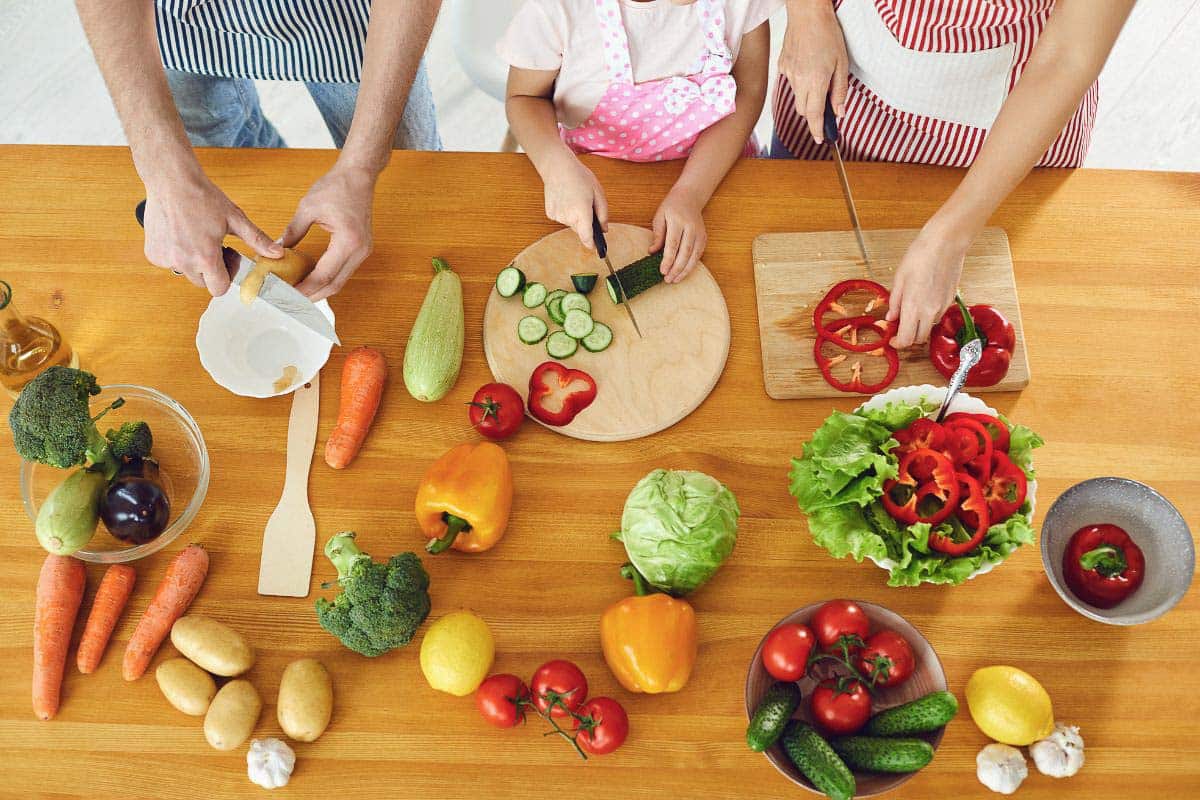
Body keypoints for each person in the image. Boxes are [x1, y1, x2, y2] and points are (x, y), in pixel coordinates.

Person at [773, 0, 1135, 348]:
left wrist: (950, 237)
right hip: (844, 69)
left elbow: (1070, 57)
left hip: (1005, 134)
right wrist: (807, 11)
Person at [76, 0, 445, 301]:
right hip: (175, 23)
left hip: (351, 17)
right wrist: (163, 177)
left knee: (410, 184)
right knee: (234, 171)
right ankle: (283, 241)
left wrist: (362, 166)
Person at [500, 0, 779, 284]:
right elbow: (524, 98)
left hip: (715, 171)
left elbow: (749, 90)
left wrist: (691, 193)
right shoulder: (557, 9)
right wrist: (557, 168)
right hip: (589, 180)